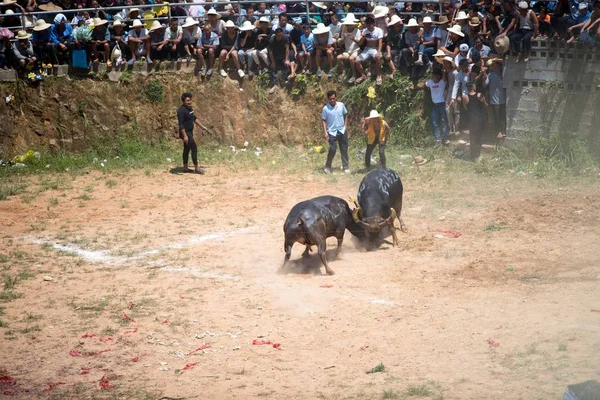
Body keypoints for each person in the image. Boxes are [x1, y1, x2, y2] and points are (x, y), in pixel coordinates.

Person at [177, 92, 208, 175]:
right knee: (194, 148)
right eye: (187, 100)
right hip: (185, 133)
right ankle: (197, 168)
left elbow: (194, 118)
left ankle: (185, 168)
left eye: (190, 100)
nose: (189, 102)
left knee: (186, 149)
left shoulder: (190, 108)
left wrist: (202, 127)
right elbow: (181, 124)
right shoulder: (181, 111)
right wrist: (185, 136)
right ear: (183, 101)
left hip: (189, 132)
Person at [321, 90, 350, 174]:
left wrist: (345, 126)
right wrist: (325, 132)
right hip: (332, 132)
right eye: (330, 99)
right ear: (328, 99)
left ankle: (346, 167)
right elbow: (324, 120)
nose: (332, 100)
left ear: (336, 97)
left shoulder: (341, 105)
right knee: (332, 149)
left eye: (334, 98)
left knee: (344, 149)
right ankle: (328, 167)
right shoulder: (326, 108)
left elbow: (346, 114)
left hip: (341, 130)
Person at [355, 16, 384, 85]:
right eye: (367, 24)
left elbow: (380, 42)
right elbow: (360, 43)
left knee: (377, 57)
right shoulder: (365, 30)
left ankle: (379, 75)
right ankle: (363, 75)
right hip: (367, 49)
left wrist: (378, 52)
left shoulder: (379, 30)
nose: (368, 26)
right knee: (357, 61)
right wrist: (363, 37)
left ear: (373, 24)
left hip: (375, 48)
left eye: (369, 24)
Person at [424, 68, 449, 146]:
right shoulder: (430, 82)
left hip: (442, 104)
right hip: (434, 105)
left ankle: (445, 138)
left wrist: (444, 72)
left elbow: (444, 78)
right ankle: (438, 139)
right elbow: (424, 85)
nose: (433, 77)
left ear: (438, 76)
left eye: (434, 75)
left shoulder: (442, 82)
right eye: (432, 75)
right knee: (435, 122)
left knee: (444, 121)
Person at [484, 58, 506, 141]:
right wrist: (484, 75)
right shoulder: (490, 75)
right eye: (494, 65)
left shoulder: (503, 75)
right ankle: (498, 132)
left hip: (503, 99)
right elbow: (485, 84)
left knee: (502, 117)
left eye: (496, 65)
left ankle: (503, 131)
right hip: (494, 100)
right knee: (496, 117)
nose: (495, 67)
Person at [337, 13, 361, 81]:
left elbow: (359, 43)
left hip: (356, 50)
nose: (348, 26)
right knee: (339, 57)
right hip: (347, 51)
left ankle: (354, 74)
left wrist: (353, 39)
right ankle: (343, 72)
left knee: (351, 58)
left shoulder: (357, 31)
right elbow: (341, 43)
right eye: (347, 24)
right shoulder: (344, 31)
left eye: (349, 24)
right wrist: (344, 38)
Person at [268, 27, 290, 93]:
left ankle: (285, 79)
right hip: (275, 55)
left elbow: (287, 49)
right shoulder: (272, 40)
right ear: (275, 35)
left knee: (286, 65)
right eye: (279, 36)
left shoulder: (285, 38)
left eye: (281, 35)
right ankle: (275, 84)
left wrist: (286, 59)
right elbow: (270, 52)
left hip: (283, 55)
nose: (280, 37)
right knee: (273, 68)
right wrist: (273, 62)